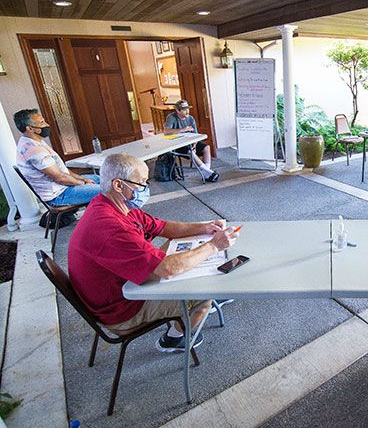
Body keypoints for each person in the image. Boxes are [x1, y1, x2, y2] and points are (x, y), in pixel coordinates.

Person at [68, 153, 238, 352]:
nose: (146, 188)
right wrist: (214, 246)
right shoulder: (110, 227)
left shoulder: (117, 205)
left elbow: (164, 227)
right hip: (122, 309)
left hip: (122, 284)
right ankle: (174, 338)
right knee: (203, 297)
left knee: (181, 249)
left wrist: (204, 227)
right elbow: (167, 269)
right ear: (118, 185)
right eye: (141, 182)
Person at [14, 109, 100, 206]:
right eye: (42, 122)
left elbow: (63, 171)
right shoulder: (33, 150)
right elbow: (60, 178)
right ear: (30, 128)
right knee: (110, 190)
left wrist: (82, 179)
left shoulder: (35, 142)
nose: (47, 125)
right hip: (59, 195)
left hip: (64, 187)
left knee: (100, 179)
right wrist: (83, 183)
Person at [164, 99, 219, 183]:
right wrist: (182, 129)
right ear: (178, 110)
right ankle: (209, 173)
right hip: (178, 144)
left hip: (190, 142)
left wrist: (194, 145)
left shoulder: (190, 118)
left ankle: (206, 173)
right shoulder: (171, 117)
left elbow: (196, 134)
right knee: (191, 152)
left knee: (206, 147)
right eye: (184, 109)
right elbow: (166, 131)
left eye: (188, 109)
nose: (187, 111)